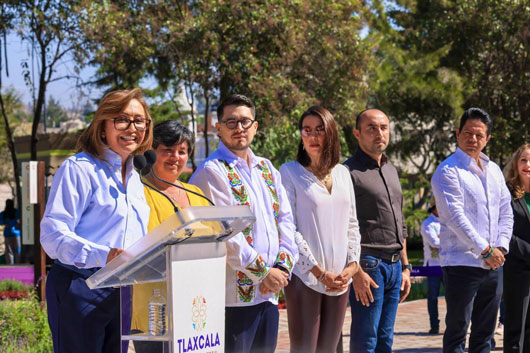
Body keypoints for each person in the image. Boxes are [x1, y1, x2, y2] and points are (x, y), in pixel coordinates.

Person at [40, 88, 153, 353]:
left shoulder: (137, 177)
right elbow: (53, 235)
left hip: (121, 290)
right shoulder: (79, 169)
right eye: (122, 119)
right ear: (103, 127)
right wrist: (104, 255)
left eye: (140, 121)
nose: (133, 127)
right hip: (80, 286)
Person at [190, 94, 298, 353]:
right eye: (231, 122)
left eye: (245, 122)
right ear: (219, 128)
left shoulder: (266, 168)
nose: (239, 128)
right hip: (235, 298)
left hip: (270, 294)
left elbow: (285, 219)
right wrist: (264, 273)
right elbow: (227, 235)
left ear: (255, 127)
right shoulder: (212, 171)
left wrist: (282, 268)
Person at [279, 106, 361, 353]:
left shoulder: (343, 173)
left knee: (328, 349)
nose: (313, 136)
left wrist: (352, 266)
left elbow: (353, 224)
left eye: (319, 130)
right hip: (306, 278)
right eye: (307, 130)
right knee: (304, 349)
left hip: (340, 280)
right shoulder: (289, 172)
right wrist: (318, 271)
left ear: (331, 134)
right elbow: (289, 228)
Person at [431, 107, 513, 353]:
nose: (473, 139)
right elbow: (455, 218)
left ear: (488, 138)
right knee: (457, 331)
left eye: (479, 135)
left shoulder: (495, 170)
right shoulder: (447, 171)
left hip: (494, 265)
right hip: (461, 265)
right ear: (457, 134)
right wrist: (485, 250)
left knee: (485, 334)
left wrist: (500, 247)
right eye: (468, 133)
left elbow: (505, 210)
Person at [131, 120, 211, 353]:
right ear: (152, 153)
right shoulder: (138, 193)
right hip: (154, 309)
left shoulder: (195, 193)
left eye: (182, 151)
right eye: (167, 150)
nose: (175, 157)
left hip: (196, 306)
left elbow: (214, 239)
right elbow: (148, 244)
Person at [344, 109, 412, 353]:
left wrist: (405, 267)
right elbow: (342, 228)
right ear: (357, 134)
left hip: (395, 267)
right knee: (366, 340)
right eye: (371, 128)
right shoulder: (347, 173)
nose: (379, 133)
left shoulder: (391, 169)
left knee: (385, 340)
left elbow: (399, 221)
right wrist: (357, 271)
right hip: (369, 266)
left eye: (383, 127)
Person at [503, 143, 530, 352]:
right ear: (516, 164)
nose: (528, 164)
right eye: (524, 160)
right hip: (518, 273)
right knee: (516, 333)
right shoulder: (507, 194)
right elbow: (503, 234)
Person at [420, 203, 443, 334]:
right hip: (433, 264)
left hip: (446, 264)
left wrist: (441, 240)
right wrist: (446, 241)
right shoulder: (428, 224)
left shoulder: (447, 222)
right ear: (435, 208)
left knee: (452, 296)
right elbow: (434, 243)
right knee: (433, 297)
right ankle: (434, 325)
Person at [0, 199, 21, 264]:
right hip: (16, 233)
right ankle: (18, 263)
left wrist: (6, 223)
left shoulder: (3, 213)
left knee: (9, 250)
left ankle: (10, 264)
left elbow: (1, 222)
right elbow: (18, 221)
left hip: (7, 233)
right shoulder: (16, 212)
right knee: (17, 250)